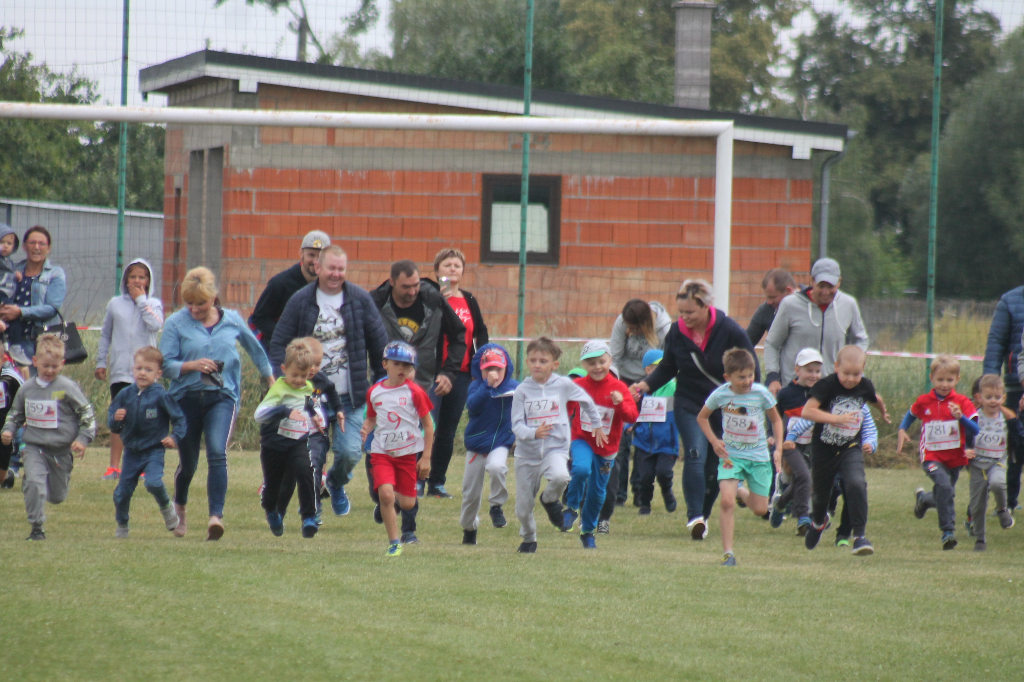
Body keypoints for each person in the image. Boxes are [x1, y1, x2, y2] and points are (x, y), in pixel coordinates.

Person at [630, 279, 758, 542]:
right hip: (689, 403)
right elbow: (668, 367)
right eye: (681, 312)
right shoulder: (677, 332)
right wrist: (645, 385)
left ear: (706, 306)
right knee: (695, 453)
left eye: (690, 312)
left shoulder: (729, 330)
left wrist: (751, 402)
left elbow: (751, 366)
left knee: (715, 465)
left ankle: (704, 516)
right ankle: (695, 517)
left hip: (724, 407)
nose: (684, 317)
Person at [269, 244, 389, 520]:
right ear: (317, 267)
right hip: (312, 398)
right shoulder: (300, 301)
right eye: (331, 268)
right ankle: (313, 509)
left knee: (350, 453)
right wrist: (283, 380)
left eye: (341, 269)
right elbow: (278, 345)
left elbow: (380, 346)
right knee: (312, 457)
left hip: (352, 397)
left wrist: (381, 386)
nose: (336, 274)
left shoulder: (360, 300)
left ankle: (334, 483)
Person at [160, 267, 274, 541]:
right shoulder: (176, 323)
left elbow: (255, 350)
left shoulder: (232, 320)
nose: (194, 309)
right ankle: (180, 507)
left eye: (200, 303)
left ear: (213, 297)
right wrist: (191, 365)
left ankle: (215, 517)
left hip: (222, 398)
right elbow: (164, 365)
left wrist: (271, 380)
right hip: (185, 398)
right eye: (189, 303)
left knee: (216, 450)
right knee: (188, 463)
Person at [367, 259, 466, 543]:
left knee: (410, 451)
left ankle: (408, 529)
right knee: (376, 448)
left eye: (415, 285)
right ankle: (384, 496)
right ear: (392, 282)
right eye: (406, 287)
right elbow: (356, 337)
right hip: (382, 383)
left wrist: (448, 372)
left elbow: (459, 336)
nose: (412, 291)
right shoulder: (375, 302)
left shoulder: (433, 300)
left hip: (421, 382)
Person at [511, 337, 605, 553]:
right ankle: (529, 539)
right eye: (533, 360)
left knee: (562, 477)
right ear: (527, 362)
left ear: (554, 365)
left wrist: (597, 424)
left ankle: (549, 499)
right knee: (523, 509)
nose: (537, 365)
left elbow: (586, 401)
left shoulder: (563, 385)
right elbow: (516, 425)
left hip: (555, 449)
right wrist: (533, 433)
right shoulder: (522, 390)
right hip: (527, 455)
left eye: (543, 361)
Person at [1, 333, 96, 541]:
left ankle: (48, 481)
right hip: (34, 446)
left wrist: (83, 438)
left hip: (60, 450)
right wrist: (8, 430)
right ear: (35, 362)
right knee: (35, 484)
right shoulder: (27, 389)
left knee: (57, 496)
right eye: (45, 366)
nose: (50, 370)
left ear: (62, 364)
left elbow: (86, 413)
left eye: (54, 366)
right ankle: (37, 528)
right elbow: (15, 414)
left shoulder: (67, 388)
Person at [697, 348, 783, 567]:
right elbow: (702, 417)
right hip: (731, 456)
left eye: (750, 376)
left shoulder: (761, 393)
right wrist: (714, 441)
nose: (747, 381)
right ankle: (728, 554)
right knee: (726, 502)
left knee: (760, 509)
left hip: (758, 457)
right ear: (728, 377)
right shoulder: (721, 395)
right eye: (741, 377)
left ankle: (740, 491)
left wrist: (778, 449)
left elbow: (776, 420)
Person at [800, 346, 882, 555]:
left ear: (863, 369)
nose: (851, 379)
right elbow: (807, 411)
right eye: (846, 373)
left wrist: (883, 411)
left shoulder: (864, 386)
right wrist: (836, 419)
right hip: (823, 448)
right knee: (821, 496)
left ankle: (860, 537)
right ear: (836, 367)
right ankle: (818, 523)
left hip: (850, 446)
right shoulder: (826, 385)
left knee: (856, 483)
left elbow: (875, 398)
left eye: (856, 374)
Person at [562, 340, 638, 549]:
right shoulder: (578, 386)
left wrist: (619, 403)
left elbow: (632, 416)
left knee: (597, 493)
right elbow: (566, 408)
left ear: (610, 361)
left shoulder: (619, 388)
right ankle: (571, 507)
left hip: (607, 448)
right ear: (584, 365)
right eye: (591, 363)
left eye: (601, 362)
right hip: (582, 440)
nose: (597, 367)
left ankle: (587, 531)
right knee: (580, 469)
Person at [360, 341, 434, 557]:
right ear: (385, 364)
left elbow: (429, 426)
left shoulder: (415, 392)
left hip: (407, 454)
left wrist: (426, 457)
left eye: (407, 365)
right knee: (385, 494)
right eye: (397, 364)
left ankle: (391, 503)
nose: (402, 369)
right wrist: (366, 428)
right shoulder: (374, 392)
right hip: (381, 452)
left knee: (408, 503)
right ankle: (394, 543)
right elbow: (371, 418)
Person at [426, 248, 489, 498]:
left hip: (461, 375)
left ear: (463, 271)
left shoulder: (469, 300)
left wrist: (479, 364)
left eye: (457, 265)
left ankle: (436, 483)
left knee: (447, 431)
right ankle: (416, 479)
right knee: (427, 426)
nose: (452, 269)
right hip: (432, 373)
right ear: (437, 270)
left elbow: (480, 332)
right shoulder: (431, 297)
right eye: (447, 265)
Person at [899, 355, 979, 550]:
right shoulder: (924, 401)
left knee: (946, 492)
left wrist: (961, 418)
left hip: (955, 458)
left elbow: (976, 429)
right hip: (931, 455)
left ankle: (924, 500)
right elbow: (911, 414)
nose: (944, 384)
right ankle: (948, 532)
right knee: (944, 486)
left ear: (957, 379)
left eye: (949, 380)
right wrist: (902, 429)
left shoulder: (962, 402)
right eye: (940, 379)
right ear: (931, 378)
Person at [96, 258, 164, 481]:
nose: (136, 281)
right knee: (120, 416)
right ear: (125, 280)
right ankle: (114, 466)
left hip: (146, 373)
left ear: (148, 281)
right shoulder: (115, 304)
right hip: (121, 371)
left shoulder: (153, 304)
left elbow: (155, 324)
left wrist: (141, 301)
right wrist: (101, 361)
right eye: (132, 277)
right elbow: (106, 334)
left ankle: (142, 466)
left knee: (144, 418)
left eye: (141, 277)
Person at [108, 346, 186, 539]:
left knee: (153, 482)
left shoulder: (162, 396)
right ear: (133, 369)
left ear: (158, 374)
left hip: (153, 451)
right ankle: (122, 525)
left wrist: (174, 437)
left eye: (148, 370)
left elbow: (180, 420)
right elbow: (112, 423)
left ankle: (167, 508)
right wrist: (116, 419)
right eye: (139, 368)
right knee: (121, 493)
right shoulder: (125, 394)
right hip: (131, 453)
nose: (142, 373)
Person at [763, 258, 868, 396]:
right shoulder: (790, 305)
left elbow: (861, 340)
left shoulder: (849, 305)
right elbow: (772, 344)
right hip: (794, 390)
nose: (826, 291)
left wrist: (853, 365)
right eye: (821, 286)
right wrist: (773, 377)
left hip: (831, 390)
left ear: (839, 282)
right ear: (811, 281)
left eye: (830, 286)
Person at [607, 299, 671, 508]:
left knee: (643, 439)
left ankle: (639, 492)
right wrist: (616, 388)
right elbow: (614, 358)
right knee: (620, 439)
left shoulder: (665, 330)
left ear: (646, 325)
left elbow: (668, 365)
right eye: (628, 327)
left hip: (651, 385)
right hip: (624, 382)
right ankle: (618, 494)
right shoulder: (621, 322)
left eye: (634, 329)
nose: (629, 332)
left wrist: (649, 387)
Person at [255, 339, 321, 539]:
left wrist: (316, 417)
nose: (299, 380)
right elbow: (259, 415)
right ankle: (271, 511)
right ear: (284, 370)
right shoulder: (279, 389)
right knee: (274, 488)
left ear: (310, 372)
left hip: (297, 442)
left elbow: (310, 406)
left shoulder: (309, 388)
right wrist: (284, 411)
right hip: (274, 445)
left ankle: (309, 518)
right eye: (294, 375)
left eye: (303, 375)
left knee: (305, 471)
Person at [274, 337, 344, 525]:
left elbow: (332, 391)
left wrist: (338, 409)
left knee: (313, 470)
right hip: (292, 435)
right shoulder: (288, 382)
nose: (313, 369)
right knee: (288, 477)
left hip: (316, 434)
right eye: (310, 364)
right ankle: (278, 512)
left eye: (318, 364)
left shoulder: (321, 380)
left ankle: (312, 514)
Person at [460, 344, 517, 545]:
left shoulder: (514, 387)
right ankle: (469, 529)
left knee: (497, 467)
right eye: (488, 369)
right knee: (470, 494)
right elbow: (473, 407)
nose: (493, 373)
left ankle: (496, 506)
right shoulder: (476, 387)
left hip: (500, 441)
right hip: (477, 445)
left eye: (498, 369)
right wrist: (487, 386)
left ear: (506, 369)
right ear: (480, 370)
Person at [770, 348, 824, 534]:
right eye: (809, 371)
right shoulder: (786, 394)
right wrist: (772, 436)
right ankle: (803, 517)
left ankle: (780, 503)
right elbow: (775, 417)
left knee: (806, 479)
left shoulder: (822, 393)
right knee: (804, 475)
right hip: (790, 444)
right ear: (797, 370)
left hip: (812, 444)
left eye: (817, 371)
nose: (814, 375)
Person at [249, 230, 331, 353]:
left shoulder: (332, 287)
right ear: (301, 253)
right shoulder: (280, 283)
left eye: (320, 257)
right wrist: (287, 338)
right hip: (283, 352)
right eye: (311, 255)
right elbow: (259, 318)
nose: (315, 261)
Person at [965, 375, 1021, 551]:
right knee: (978, 504)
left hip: (998, 462)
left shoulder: (1006, 417)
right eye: (988, 397)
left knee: (998, 483)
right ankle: (980, 539)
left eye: (997, 397)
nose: (993, 401)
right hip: (977, 465)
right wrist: (965, 449)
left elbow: (1017, 431)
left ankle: (1002, 509)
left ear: (1003, 398)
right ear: (979, 397)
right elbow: (963, 434)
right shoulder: (974, 417)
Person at [0, 226, 67, 371]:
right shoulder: (12, 269)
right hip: (7, 339)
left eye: (42, 243)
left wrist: (20, 312)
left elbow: (52, 308)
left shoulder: (55, 274)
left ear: (48, 248)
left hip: (38, 343)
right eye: (32, 243)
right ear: (24, 246)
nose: (36, 247)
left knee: (32, 383)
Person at [983, 284, 1024, 509]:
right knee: (1015, 444)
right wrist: (989, 381)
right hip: (1016, 384)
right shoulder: (1009, 301)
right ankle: (1009, 501)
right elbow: (996, 341)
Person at [629, 350, 679, 521]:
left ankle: (667, 492)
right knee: (645, 477)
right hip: (644, 441)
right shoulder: (639, 391)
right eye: (658, 367)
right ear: (648, 370)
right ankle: (645, 505)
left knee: (663, 472)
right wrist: (629, 425)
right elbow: (631, 410)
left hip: (667, 442)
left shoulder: (674, 387)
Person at [746, 269, 797, 345]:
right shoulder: (765, 311)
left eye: (773, 297)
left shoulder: (810, 306)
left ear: (788, 291)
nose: (769, 302)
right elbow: (745, 344)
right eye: (768, 297)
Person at [0, 350, 23, 489]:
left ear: (3, 359)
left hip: (3, 433)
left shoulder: (10, 378)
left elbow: (26, 396)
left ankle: (7, 476)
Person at [0, 223, 20, 306]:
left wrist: (16, 274)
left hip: (8, 292)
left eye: (9, 243)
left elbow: (10, 271)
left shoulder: (9, 261)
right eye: (2, 242)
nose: (5, 246)